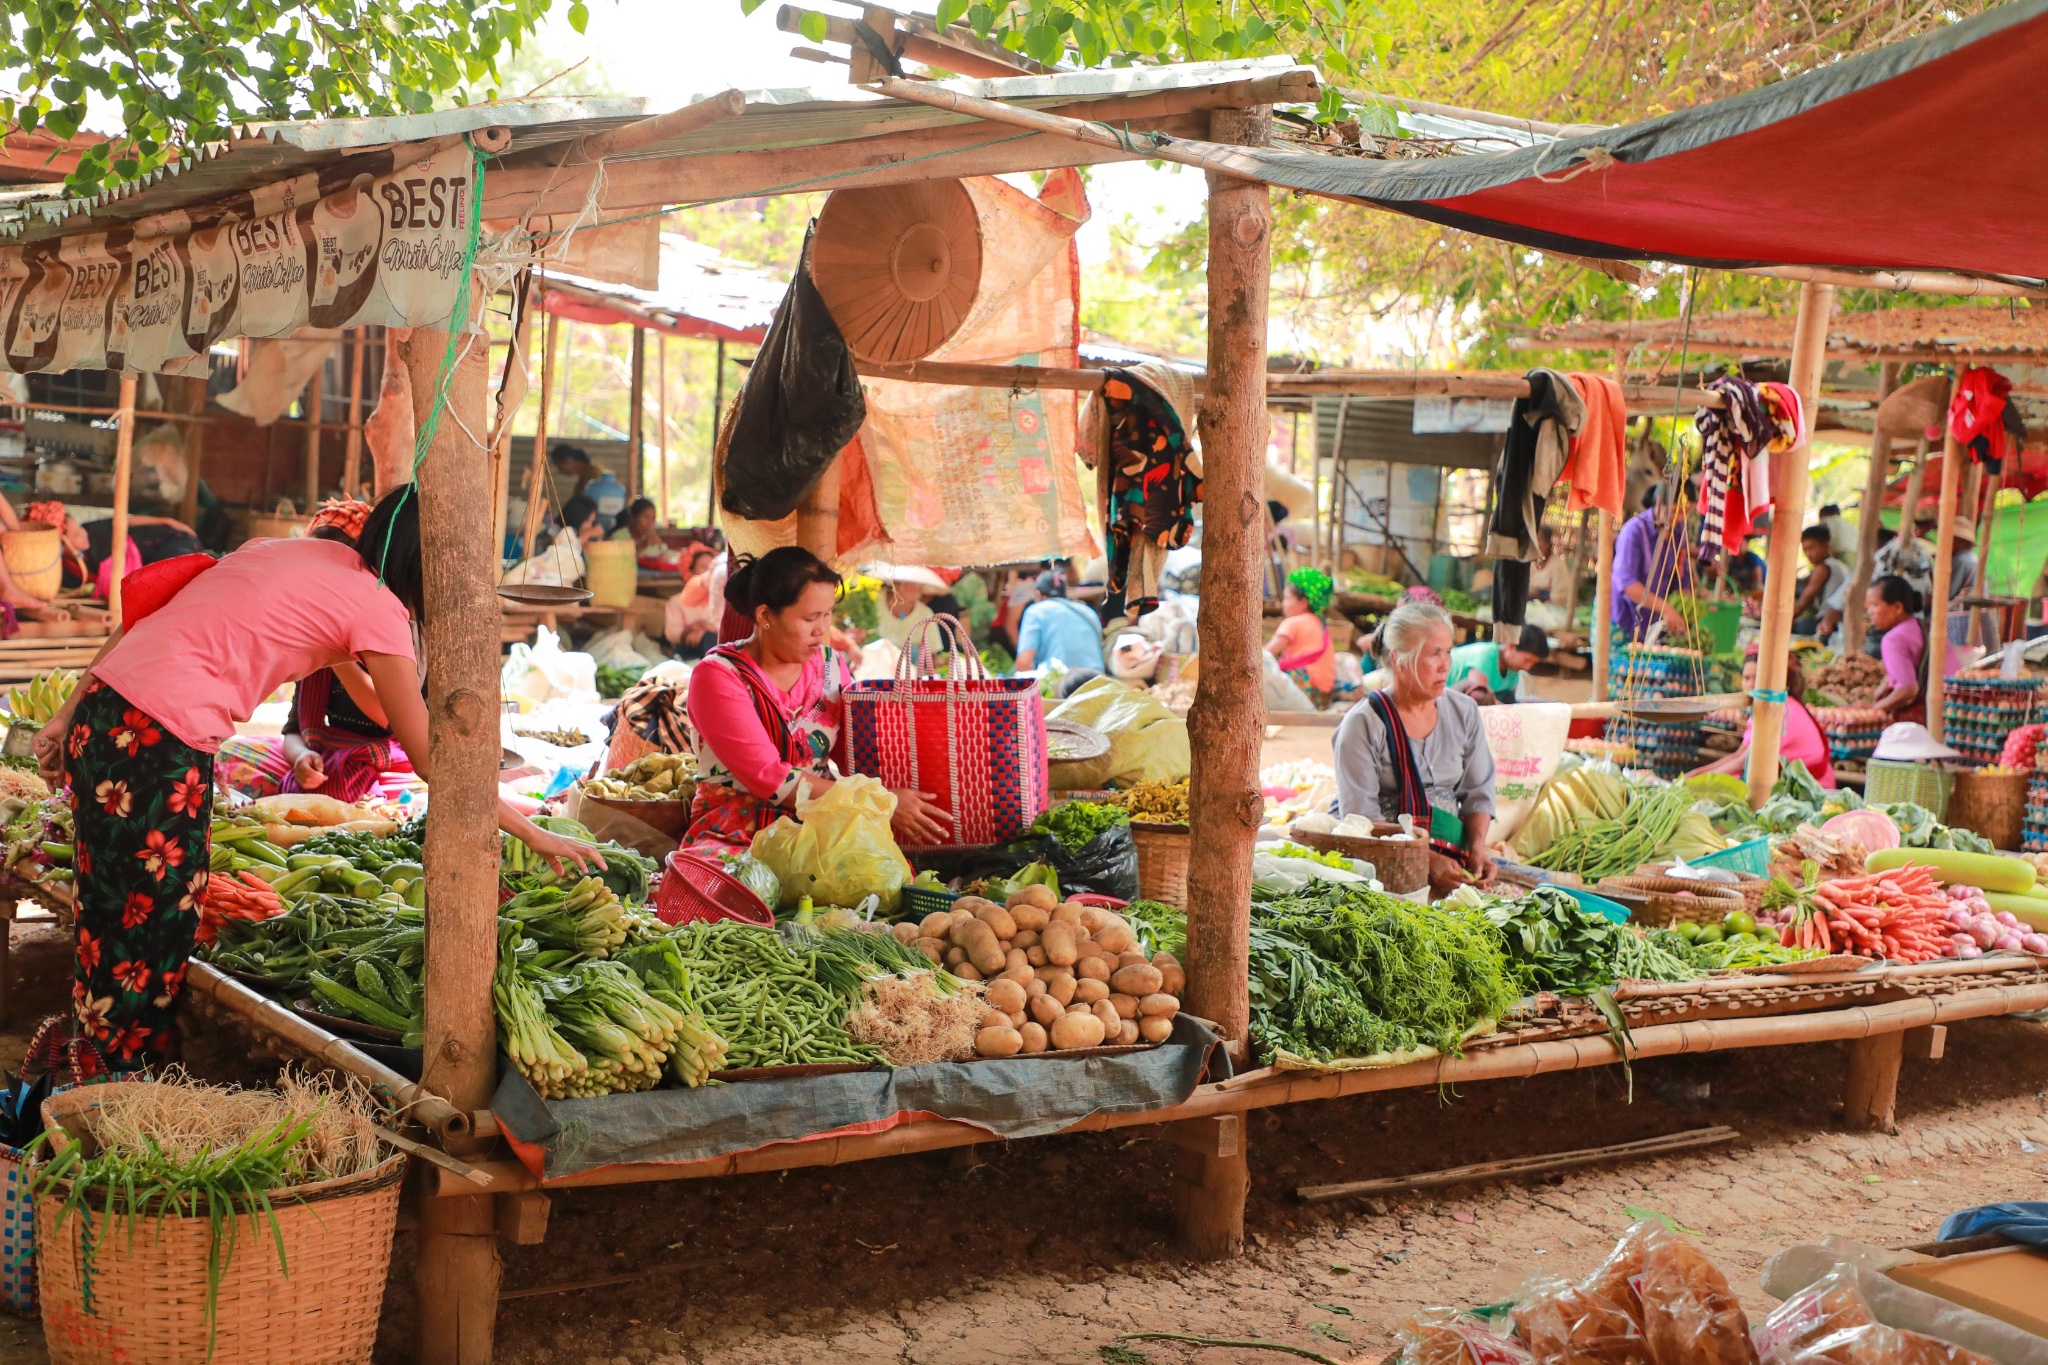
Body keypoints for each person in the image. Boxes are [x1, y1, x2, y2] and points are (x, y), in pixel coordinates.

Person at [34, 486, 601, 1069]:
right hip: (159, 737)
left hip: (105, 716)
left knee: (106, 910)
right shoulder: (379, 607)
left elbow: (146, 615)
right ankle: (121, 1091)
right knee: (154, 931)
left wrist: (65, 714)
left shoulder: (296, 555)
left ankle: (87, 1073)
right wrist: (532, 832)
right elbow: (433, 761)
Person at [682, 547, 952, 851]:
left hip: (822, 826)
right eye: (810, 618)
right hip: (736, 833)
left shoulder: (830, 665)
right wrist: (879, 801)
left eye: (827, 615)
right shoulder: (719, 676)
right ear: (765, 615)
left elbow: (852, 753)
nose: (822, 630)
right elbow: (769, 777)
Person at [1333, 599, 1497, 896]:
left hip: (1449, 858)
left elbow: (1478, 791)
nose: (1446, 664)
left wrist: (1476, 850)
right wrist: (1422, 859)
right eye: (1434, 653)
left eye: (1448, 651)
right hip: (1382, 863)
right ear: (1399, 660)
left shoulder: (1464, 711)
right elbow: (1360, 820)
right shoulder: (1363, 724)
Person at [1688, 650, 1834, 788]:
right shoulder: (1765, 707)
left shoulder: (1780, 709)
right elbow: (1739, 755)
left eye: (1757, 678)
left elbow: (1743, 761)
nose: (1751, 684)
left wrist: (1695, 782)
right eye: (1746, 678)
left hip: (1813, 787)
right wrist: (1695, 774)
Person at [41, 505, 203, 596]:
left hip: (169, 541)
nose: (84, 534)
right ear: (62, 545)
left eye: (80, 528)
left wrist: (168, 521)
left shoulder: (93, 531)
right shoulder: (65, 569)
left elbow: (124, 521)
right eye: (76, 534)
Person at [1611, 481, 1695, 642]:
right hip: (1621, 618)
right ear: (1658, 501)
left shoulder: (1679, 530)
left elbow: (1681, 573)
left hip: (1652, 624)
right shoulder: (1633, 531)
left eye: (1685, 512)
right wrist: (1665, 608)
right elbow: (1626, 583)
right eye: (1674, 511)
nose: (1679, 518)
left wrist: (1684, 603)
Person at [1265, 568, 1336, 705]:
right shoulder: (1319, 622)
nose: (1283, 604)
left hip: (1306, 691)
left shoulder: (1293, 623)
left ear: (1303, 603)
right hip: (1323, 696)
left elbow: (1265, 655)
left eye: (1287, 599)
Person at [501, 494, 603, 588]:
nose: (590, 526)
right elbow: (564, 549)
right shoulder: (554, 529)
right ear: (578, 518)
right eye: (589, 521)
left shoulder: (575, 535)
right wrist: (587, 534)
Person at [1015, 570, 1106, 674]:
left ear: (1038, 595)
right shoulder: (1088, 612)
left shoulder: (1035, 611)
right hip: (1097, 680)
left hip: (1061, 682)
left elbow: (1023, 663)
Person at [1865, 575, 1927, 725]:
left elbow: (1908, 689)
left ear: (1898, 607)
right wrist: (1884, 684)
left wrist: (1873, 710)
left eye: (1875, 605)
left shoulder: (1893, 639)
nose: (1870, 612)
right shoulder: (1919, 626)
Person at [1448, 624, 1549, 704]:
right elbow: (1477, 698)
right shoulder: (1486, 655)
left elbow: (1507, 701)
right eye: (1526, 660)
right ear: (1511, 645)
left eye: (1533, 663)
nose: (1527, 667)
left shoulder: (1513, 671)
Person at [665, 542, 724, 659]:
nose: (709, 573)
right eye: (703, 567)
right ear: (690, 571)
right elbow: (672, 633)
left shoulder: (721, 598)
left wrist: (706, 628)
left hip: (716, 643)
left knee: (709, 638)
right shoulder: (676, 601)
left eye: (711, 568)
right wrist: (689, 632)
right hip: (689, 646)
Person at [1792, 524, 1850, 636]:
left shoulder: (1823, 568)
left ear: (1826, 546)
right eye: (1805, 550)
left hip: (1830, 621)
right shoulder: (1839, 565)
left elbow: (1803, 602)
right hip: (1840, 620)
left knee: (1801, 626)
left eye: (1811, 548)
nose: (1808, 554)